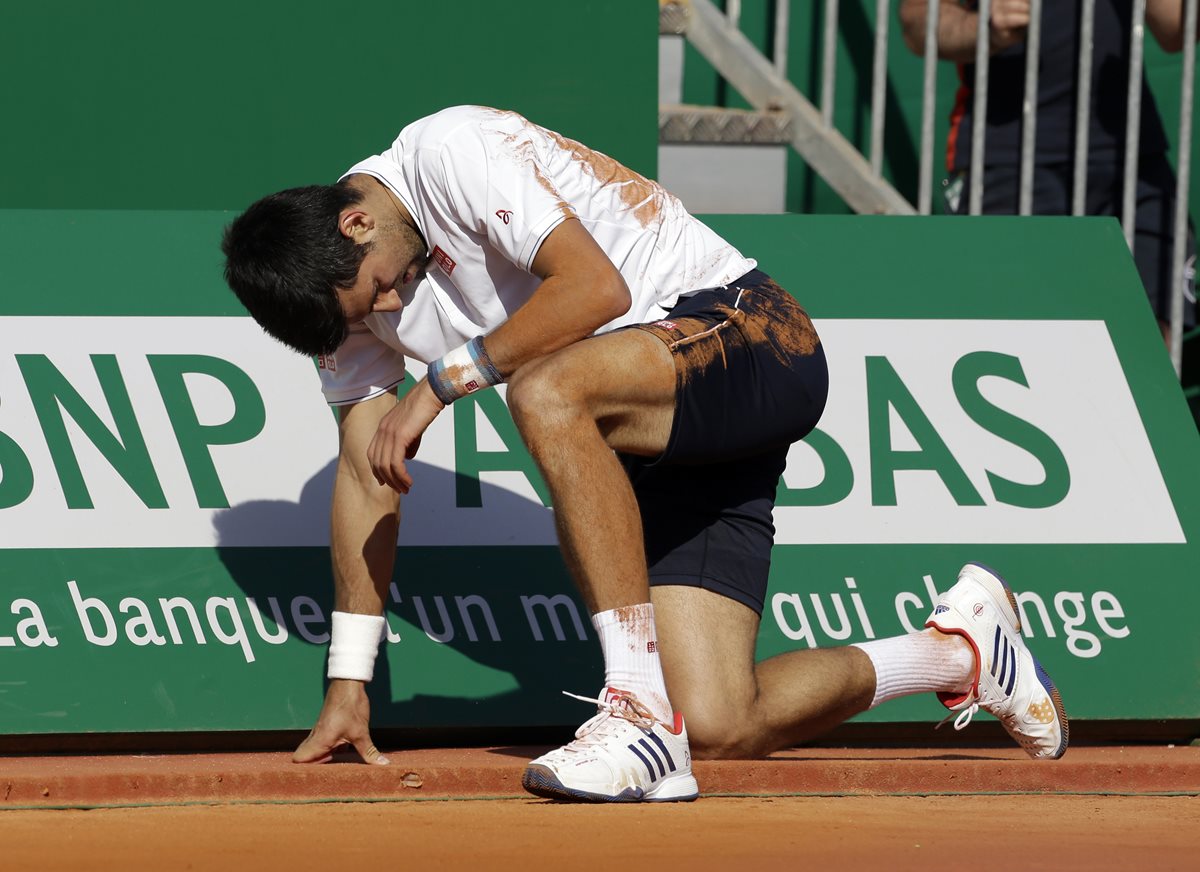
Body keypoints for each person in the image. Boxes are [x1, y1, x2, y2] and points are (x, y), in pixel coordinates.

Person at [222, 105, 1067, 803]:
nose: (389, 307)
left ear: (357, 220)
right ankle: (965, 649)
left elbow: (596, 290)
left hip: (748, 333)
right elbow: (368, 476)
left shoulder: (450, 150)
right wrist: (349, 677)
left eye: (380, 287)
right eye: (371, 309)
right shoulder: (346, 306)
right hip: (654, 429)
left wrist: (440, 381)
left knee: (545, 391)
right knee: (726, 720)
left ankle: (636, 715)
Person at [899, 0, 1198, 346]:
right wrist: (984, 27)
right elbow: (917, 21)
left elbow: (1176, 28)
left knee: (1150, 350)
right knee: (1018, 346)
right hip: (1009, 159)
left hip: (1133, 155)